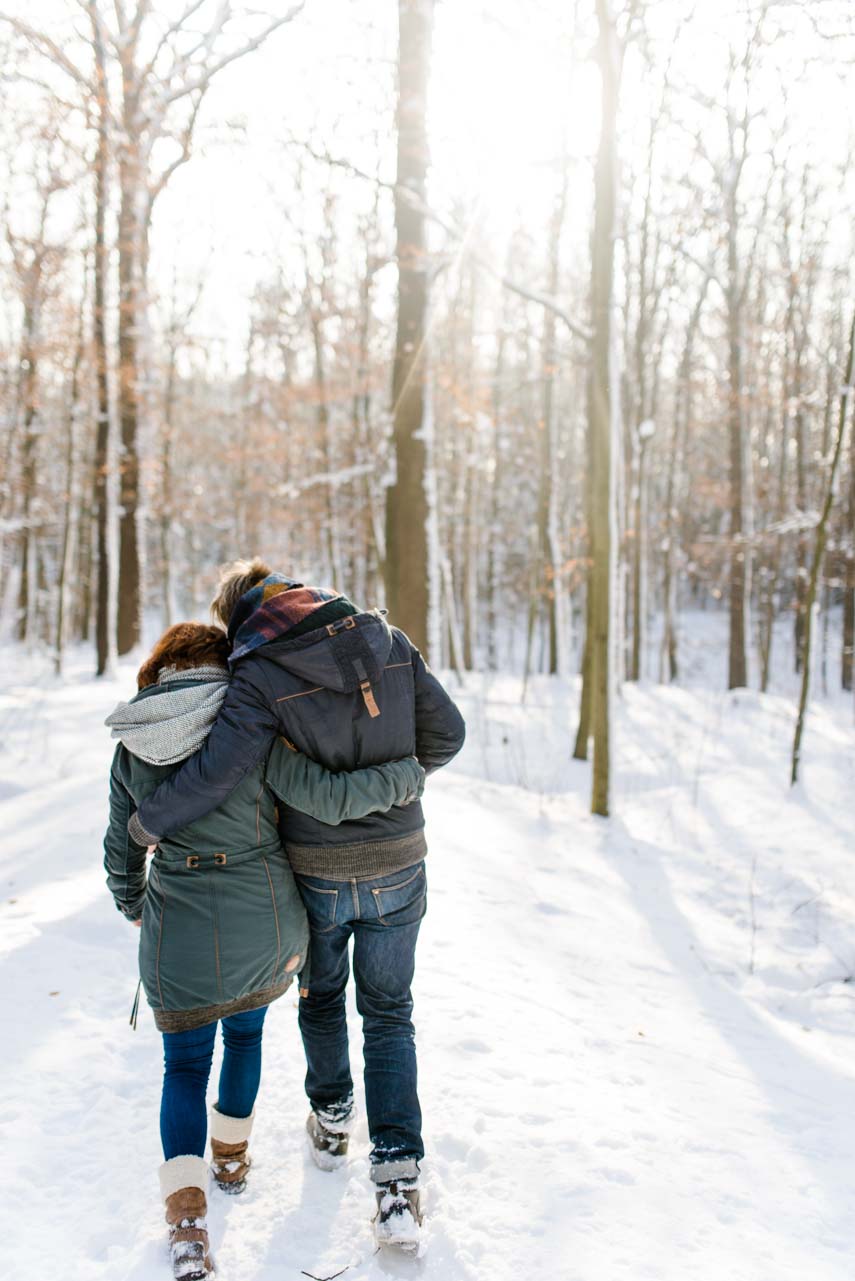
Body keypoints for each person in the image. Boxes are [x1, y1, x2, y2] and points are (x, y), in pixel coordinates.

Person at [128, 561, 466, 1249]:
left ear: (240, 620)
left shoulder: (258, 672)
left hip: (314, 869)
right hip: (400, 863)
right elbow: (447, 735)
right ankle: (397, 1181)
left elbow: (220, 770)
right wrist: (392, 786)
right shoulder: (386, 638)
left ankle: (333, 1114)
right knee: (390, 1012)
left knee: (320, 996)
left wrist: (145, 825)